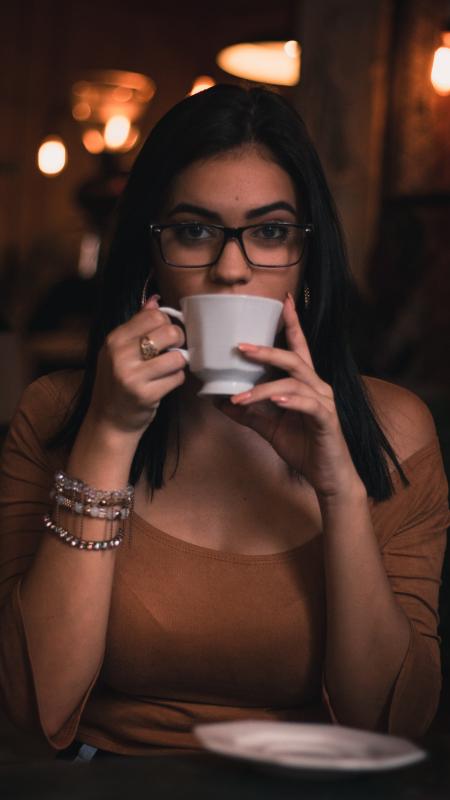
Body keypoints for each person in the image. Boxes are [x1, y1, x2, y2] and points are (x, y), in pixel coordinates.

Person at [0, 84, 448, 759]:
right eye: (193, 230)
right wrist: (109, 434)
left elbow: (390, 729)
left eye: (269, 232)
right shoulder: (60, 413)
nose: (230, 268)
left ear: (305, 258)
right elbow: (38, 710)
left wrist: (340, 491)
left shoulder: (394, 430)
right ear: (151, 254)